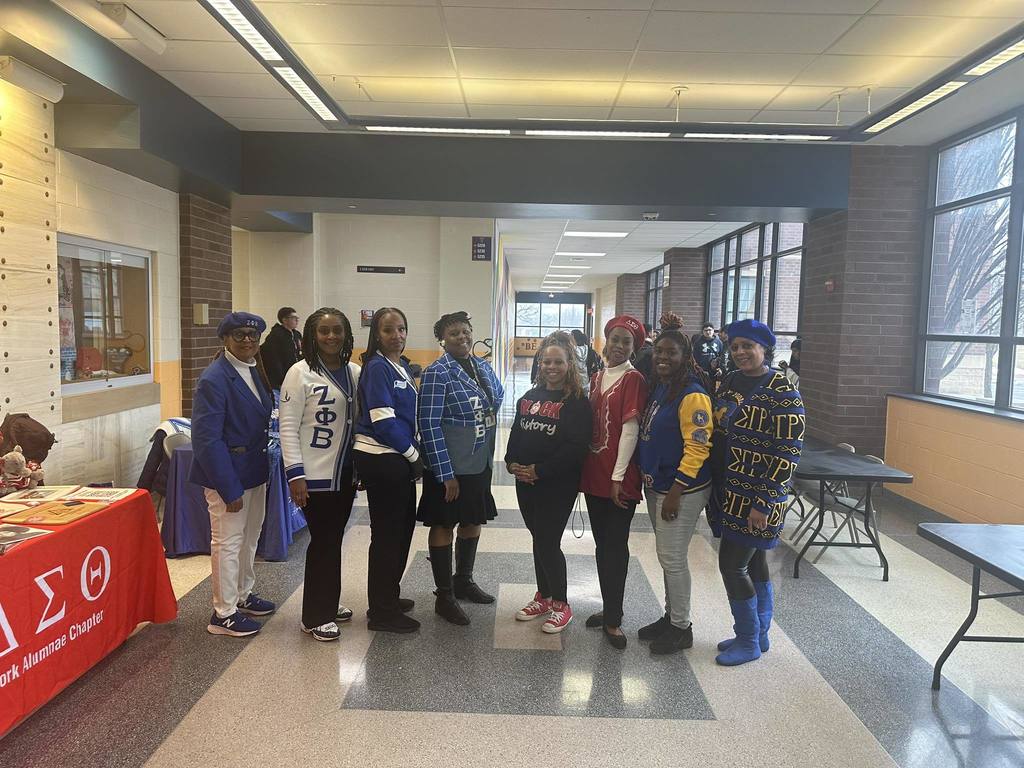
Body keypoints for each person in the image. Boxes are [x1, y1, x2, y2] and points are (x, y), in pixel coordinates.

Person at [707, 319, 804, 666]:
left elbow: (787, 453)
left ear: (765, 348)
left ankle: (748, 639)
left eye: (748, 346)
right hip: (728, 492)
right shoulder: (730, 381)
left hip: (758, 499)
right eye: (734, 347)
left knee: (732, 566)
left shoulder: (782, 391)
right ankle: (759, 634)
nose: (740, 352)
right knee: (755, 561)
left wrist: (764, 502)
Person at [191, 312, 275, 637]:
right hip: (229, 476)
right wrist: (229, 487)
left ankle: (242, 594)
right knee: (227, 542)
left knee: (249, 537)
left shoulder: (254, 371)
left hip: (254, 470)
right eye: (239, 335)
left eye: (253, 336)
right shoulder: (215, 378)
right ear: (225, 339)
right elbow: (206, 439)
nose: (248, 341)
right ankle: (223, 612)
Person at [417, 311, 504, 625]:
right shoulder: (437, 372)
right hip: (449, 463)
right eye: (454, 333)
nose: (462, 338)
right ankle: (444, 595)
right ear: (442, 339)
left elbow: (498, 395)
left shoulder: (481, 365)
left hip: (477, 459)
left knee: (472, 518)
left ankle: (463, 580)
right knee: (444, 523)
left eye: (466, 332)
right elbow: (428, 424)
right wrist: (445, 473)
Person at [279, 308, 360, 642]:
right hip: (313, 476)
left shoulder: (355, 371)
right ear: (312, 334)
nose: (331, 337)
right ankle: (313, 616)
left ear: (346, 334)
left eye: (337, 330)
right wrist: (295, 475)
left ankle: (328, 601)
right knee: (323, 541)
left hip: (345, 475)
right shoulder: (299, 373)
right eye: (323, 331)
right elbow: (287, 426)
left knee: (333, 540)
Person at [505, 334, 592, 634]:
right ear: (540, 364)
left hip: (556, 483)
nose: (552, 366)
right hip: (525, 482)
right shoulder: (528, 398)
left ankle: (562, 605)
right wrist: (511, 461)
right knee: (537, 537)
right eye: (547, 361)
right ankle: (543, 596)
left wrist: (540, 470)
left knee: (547, 540)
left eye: (558, 362)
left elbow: (576, 447)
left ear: (569, 365)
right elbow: (517, 434)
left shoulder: (578, 403)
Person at [637, 320, 714, 655]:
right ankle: (671, 617)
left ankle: (681, 627)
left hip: (681, 489)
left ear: (686, 356)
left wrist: (675, 491)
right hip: (660, 485)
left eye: (672, 352)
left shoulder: (693, 394)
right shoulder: (661, 386)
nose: (663, 357)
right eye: (659, 351)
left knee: (672, 557)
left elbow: (698, 446)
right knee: (667, 557)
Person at [580, 314, 648, 649]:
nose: (619, 346)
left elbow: (631, 429)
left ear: (635, 347)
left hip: (619, 479)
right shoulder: (596, 377)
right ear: (606, 340)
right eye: (615, 339)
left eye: (626, 342)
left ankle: (614, 619)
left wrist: (618, 476)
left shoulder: (634, 379)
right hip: (594, 475)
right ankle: (608, 609)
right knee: (601, 545)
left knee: (615, 547)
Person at [353, 307, 421, 634]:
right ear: (376, 335)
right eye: (389, 330)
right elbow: (382, 419)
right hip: (383, 458)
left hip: (397, 458)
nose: (398, 336)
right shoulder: (377, 367)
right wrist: (413, 455)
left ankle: (388, 597)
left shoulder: (399, 366)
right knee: (387, 537)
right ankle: (381, 612)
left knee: (401, 531)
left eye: (402, 329)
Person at [260, 307, 302, 390]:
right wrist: (281, 379)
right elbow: (273, 359)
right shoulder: (275, 335)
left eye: (297, 318)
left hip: (296, 375)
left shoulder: (297, 334)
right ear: (284, 320)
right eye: (294, 318)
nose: (297, 320)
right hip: (280, 379)